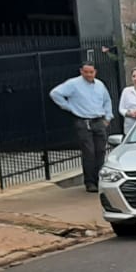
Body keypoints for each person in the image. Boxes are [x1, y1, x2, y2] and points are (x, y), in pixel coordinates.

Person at [50, 63, 114, 192]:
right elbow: (55, 93)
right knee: (89, 152)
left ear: (95, 72)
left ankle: (99, 179)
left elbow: (107, 100)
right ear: (81, 71)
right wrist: (69, 107)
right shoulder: (73, 84)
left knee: (100, 151)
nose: (89, 75)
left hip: (98, 121)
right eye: (86, 72)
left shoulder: (100, 85)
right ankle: (90, 182)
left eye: (91, 72)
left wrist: (108, 118)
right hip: (83, 122)